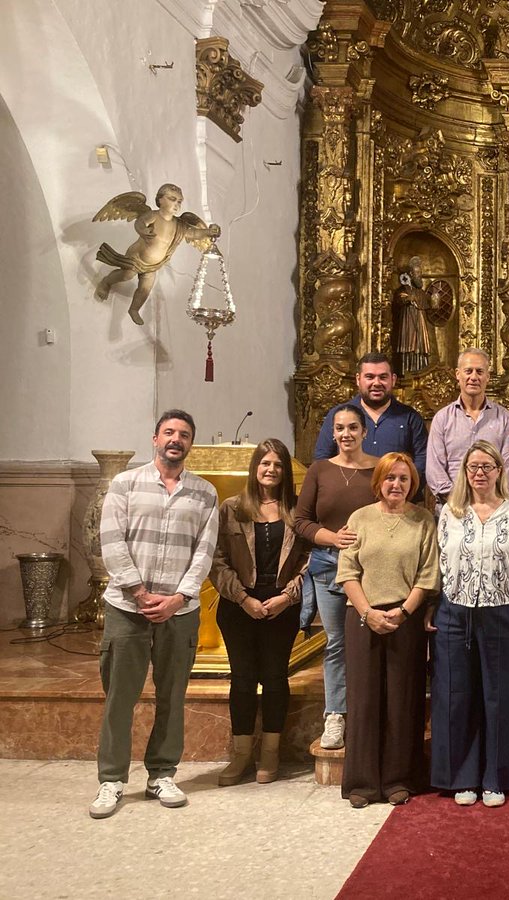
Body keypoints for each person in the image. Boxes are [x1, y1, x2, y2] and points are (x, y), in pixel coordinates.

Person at [89, 409, 219, 819]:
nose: (175, 439)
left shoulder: (205, 493)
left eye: (184, 434)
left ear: (191, 443)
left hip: (180, 611)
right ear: (155, 438)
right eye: (168, 432)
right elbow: (112, 541)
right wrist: (139, 591)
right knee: (120, 696)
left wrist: (179, 597)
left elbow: (205, 551)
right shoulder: (125, 484)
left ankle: (162, 773)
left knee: (172, 695)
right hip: (128, 608)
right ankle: (112, 779)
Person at [432, 440, 509, 808]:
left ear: (498, 471)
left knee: (500, 696)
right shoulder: (450, 512)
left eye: (487, 467)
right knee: (456, 695)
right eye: (473, 467)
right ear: (465, 472)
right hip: (455, 611)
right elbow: (438, 562)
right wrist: (433, 607)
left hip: (502, 610)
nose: (479, 473)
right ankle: (462, 777)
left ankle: (495, 777)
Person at [337, 452, 439, 808]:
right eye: (390, 478)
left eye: (404, 479)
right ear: (378, 481)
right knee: (364, 700)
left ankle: (399, 779)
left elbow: (428, 574)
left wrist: (404, 611)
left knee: (402, 699)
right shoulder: (360, 518)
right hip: (362, 615)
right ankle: (362, 783)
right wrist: (368, 613)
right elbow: (347, 571)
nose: (396, 484)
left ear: (413, 484)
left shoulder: (423, 520)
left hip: (405, 617)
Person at [210, 439, 310, 787]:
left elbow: (309, 561)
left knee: (275, 677)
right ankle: (241, 754)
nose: (271, 470)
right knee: (242, 678)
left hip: (281, 605)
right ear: (255, 468)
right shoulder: (232, 508)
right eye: (265, 463)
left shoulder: (298, 510)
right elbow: (217, 560)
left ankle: (270, 752)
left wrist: (287, 597)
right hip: (239, 605)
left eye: (278, 464)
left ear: (286, 471)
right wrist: (242, 598)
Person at [295, 404, 378, 751]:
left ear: (364, 432)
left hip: (371, 569)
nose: (346, 434)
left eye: (353, 427)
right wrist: (332, 538)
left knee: (370, 640)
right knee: (336, 643)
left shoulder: (379, 468)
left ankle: (368, 713)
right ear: (332, 433)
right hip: (328, 566)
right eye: (340, 428)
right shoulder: (320, 470)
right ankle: (336, 714)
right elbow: (301, 521)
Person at [93, 184, 221, 325]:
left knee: (145, 288)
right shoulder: (154, 216)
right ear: (160, 199)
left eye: (179, 201)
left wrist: (208, 232)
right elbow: (140, 222)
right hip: (137, 258)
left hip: (154, 265)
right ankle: (106, 282)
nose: (177, 204)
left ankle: (134, 309)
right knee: (126, 275)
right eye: (172, 199)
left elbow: (194, 233)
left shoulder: (179, 224)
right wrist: (143, 230)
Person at [313, 352, 427, 496]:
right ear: (358, 379)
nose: (377, 383)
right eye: (370, 377)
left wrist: (405, 490)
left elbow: (423, 460)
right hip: (349, 497)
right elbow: (323, 459)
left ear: (393, 380)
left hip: (397, 500)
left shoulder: (410, 418)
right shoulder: (338, 415)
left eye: (383, 377)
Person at [426, 349, 509, 513]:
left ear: (487, 376)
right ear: (458, 374)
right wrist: (457, 500)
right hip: (452, 507)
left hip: (492, 509)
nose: (473, 377)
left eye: (479, 372)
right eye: (468, 371)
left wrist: (488, 502)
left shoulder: (503, 418)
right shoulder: (442, 418)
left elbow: (507, 468)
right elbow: (435, 469)